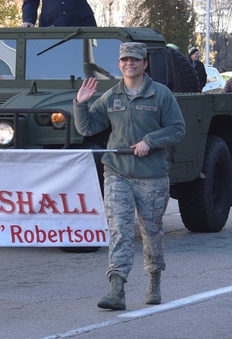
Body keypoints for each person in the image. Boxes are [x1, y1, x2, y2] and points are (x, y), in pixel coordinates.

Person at [74, 41, 186, 310]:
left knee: (151, 231)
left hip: (152, 176)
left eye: (135, 60)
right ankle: (117, 288)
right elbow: (87, 128)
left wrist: (150, 140)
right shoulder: (112, 96)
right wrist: (80, 104)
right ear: (119, 63)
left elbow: (177, 129)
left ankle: (154, 278)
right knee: (120, 230)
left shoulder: (160, 94)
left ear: (145, 63)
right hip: (117, 172)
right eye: (125, 60)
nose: (129, 64)